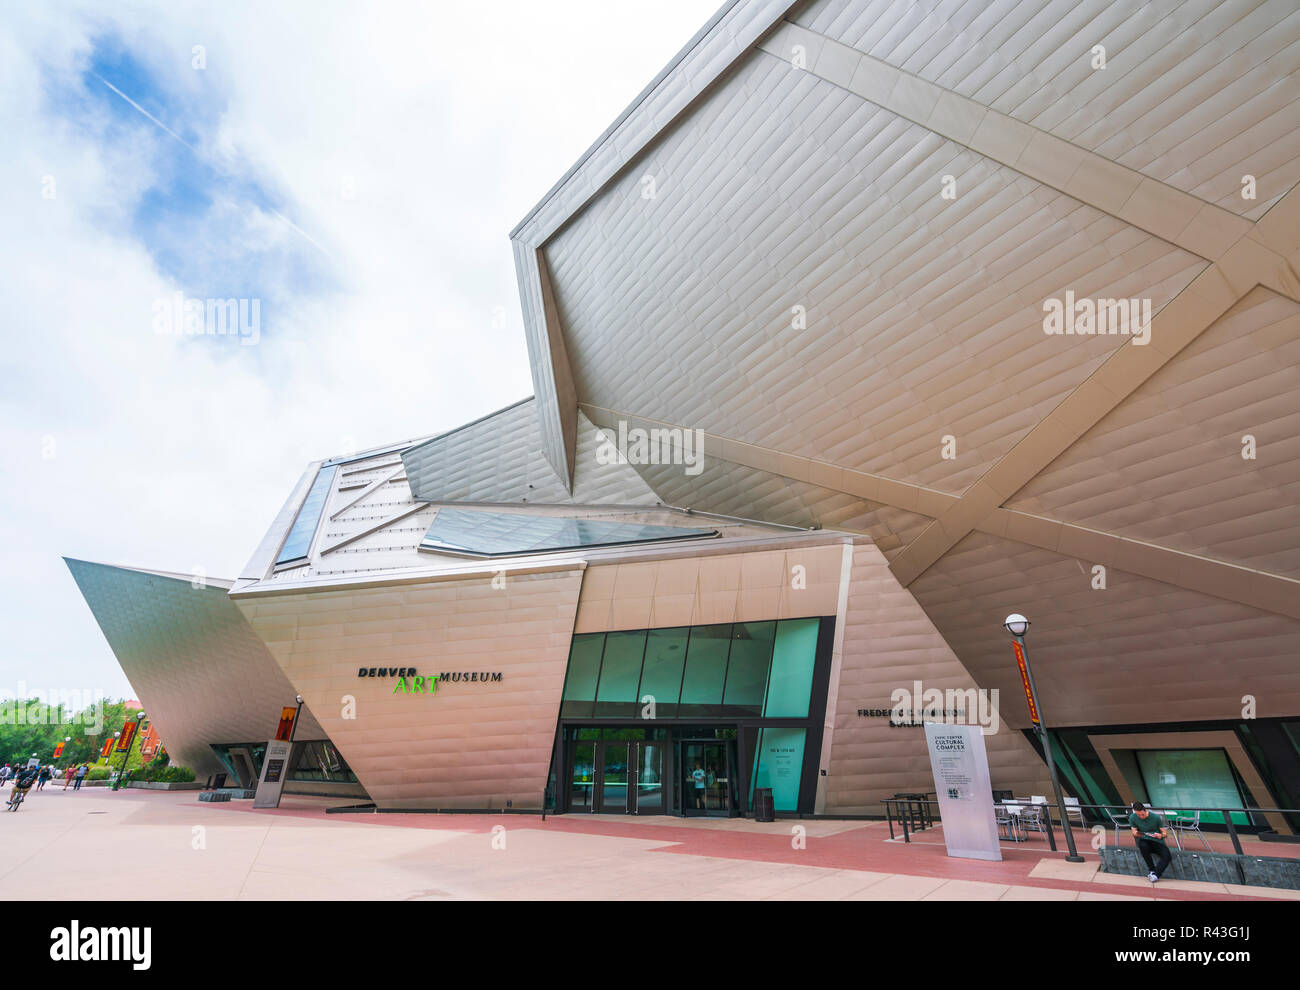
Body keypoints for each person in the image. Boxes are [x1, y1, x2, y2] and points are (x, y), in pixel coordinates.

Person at [1129, 801, 1172, 883]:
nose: (1141, 817)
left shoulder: (1155, 817)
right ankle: (1151, 870)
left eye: (1142, 814)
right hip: (1145, 840)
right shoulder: (1133, 817)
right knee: (1143, 846)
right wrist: (1138, 834)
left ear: (1145, 810)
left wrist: (1161, 836)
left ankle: (1155, 874)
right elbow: (1134, 832)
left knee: (1167, 856)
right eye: (1138, 815)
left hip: (1157, 841)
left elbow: (1165, 833)